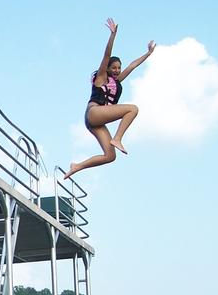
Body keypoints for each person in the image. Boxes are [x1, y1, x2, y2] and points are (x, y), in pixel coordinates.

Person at [63, 18, 155, 180]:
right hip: (94, 113)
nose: (117, 71)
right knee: (132, 109)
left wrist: (147, 54)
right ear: (107, 69)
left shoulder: (117, 81)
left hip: (96, 122)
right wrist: (113, 35)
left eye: (119, 68)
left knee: (110, 156)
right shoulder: (101, 78)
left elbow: (132, 66)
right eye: (113, 68)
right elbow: (106, 55)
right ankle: (117, 138)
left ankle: (77, 166)